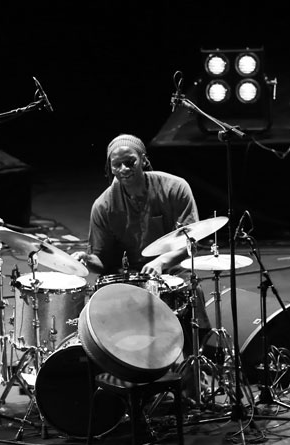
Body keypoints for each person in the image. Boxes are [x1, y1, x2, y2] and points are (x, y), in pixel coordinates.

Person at [72, 133, 211, 336]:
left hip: (171, 272)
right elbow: (101, 262)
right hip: (128, 277)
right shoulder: (103, 205)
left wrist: (161, 262)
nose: (123, 170)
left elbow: (190, 243)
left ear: (144, 159)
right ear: (110, 167)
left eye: (130, 162)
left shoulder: (175, 188)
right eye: (116, 165)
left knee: (191, 289)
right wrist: (85, 260)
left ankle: (196, 355)